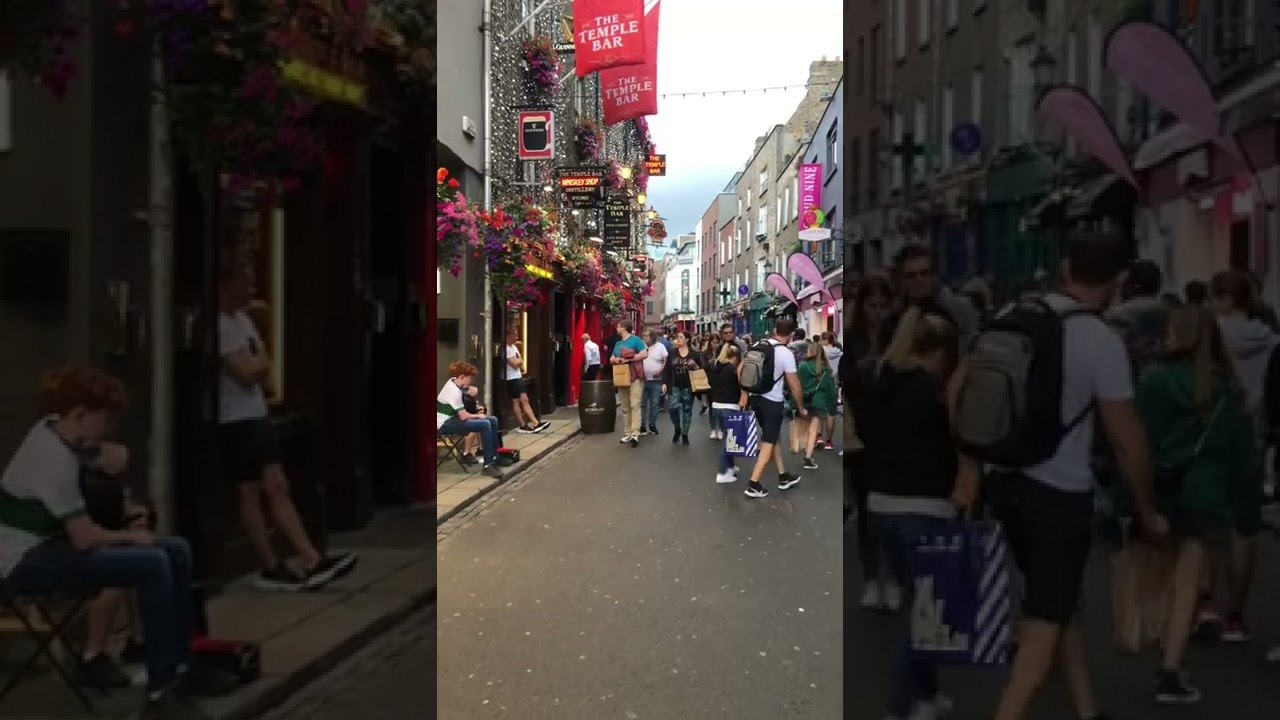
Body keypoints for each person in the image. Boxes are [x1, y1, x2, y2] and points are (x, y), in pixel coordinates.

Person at [952, 231, 1165, 720]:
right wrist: (1147, 508)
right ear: (1117, 281)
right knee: (1046, 617)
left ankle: (1088, 708)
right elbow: (1127, 439)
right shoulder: (1101, 340)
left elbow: (959, 387)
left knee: (1057, 596)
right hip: (1060, 494)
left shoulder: (1014, 315)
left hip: (1006, 482)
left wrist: (969, 465)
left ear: (1066, 269)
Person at [0, 366, 211, 720]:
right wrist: (131, 536)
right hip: (23, 561)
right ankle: (161, 691)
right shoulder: (52, 460)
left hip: (50, 544)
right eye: (105, 418)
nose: (109, 426)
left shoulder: (54, 427)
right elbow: (84, 539)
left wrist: (106, 453)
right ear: (81, 414)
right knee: (152, 563)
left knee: (176, 549)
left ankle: (183, 667)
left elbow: (90, 454)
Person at [1132, 306, 1259, 704]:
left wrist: (1129, 500)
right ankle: (1171, 668)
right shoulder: (1227, 390)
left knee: (1159, 574)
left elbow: (1138, 442)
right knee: (1189, 581)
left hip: (1161, 490)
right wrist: (1245, 508)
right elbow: (1244, 457)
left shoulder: (1154, 381)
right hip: (1207, 492)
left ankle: (1156, 638)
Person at [217, 266, 357, 591]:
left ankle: (310, 559)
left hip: (256, 415)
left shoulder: (243, 321)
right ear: (228, 285)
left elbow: (263, 369)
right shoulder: (219, 326)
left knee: (278, 486)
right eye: (246, 282)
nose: (252, 289)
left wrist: (257, 364)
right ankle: (271, 565)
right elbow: (246, 374)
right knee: (249, 491)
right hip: (234, 419)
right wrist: (257, 363)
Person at [857, 308, 960, 719]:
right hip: (924, 503)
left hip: (882, 502)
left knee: (918, 603)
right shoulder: (930, 391)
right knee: (922, 611)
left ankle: (925, 694)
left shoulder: (879, 383)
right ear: (938, 352)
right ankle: (902, 705)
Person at [1201, 269, 1276, 640]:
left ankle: (1204, 604)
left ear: (1226, 300)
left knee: (1203, 528)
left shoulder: (1210, 337)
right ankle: (1235, 616)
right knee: (1243, 532)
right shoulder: (1272, 341)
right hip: (1253, 440)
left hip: (1212, 439)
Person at [740, 318, 806, 498]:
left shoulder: (757, 345)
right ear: (791, 335)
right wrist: (800, 407)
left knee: (773, 436)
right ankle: (753, 484)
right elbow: (794, 385)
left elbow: (741, 369)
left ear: (775, 330)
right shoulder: (785, 353)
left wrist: (744, 393)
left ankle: (783, 476)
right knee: (769, 441)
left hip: (756, 398)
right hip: (772, 402)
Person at [881, 245, 978, 350]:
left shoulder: (958, 308)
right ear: (900, 280)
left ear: (935, 276)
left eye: (925, 273)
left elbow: (971, 348)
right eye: (911, 276)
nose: (919, 280)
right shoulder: (894, 316)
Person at [438, 361, 511, 478]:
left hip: (453, 418)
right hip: (444, 423)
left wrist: (469, 389)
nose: (471, 381)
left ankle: (495, 456)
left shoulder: (454, 381)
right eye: (470, 378)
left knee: (493, 420)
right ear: (462, 377)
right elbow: (463, 416)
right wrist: (477, 415)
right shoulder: (453, 392)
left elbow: (464, 389)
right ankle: (488, 465)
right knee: (485, 424)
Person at [1107, 259, 1170, 373]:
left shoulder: (1121, 315)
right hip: (1162, 375)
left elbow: (1111, 352)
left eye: (1124, 284)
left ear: (1135, 286)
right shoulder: (1167, 311)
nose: (1120, 289)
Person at [796, 342, 838, 470]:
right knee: (813, 430)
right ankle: (808, 458)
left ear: (810, 352)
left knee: (805, 428)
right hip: (819, 402)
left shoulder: (803, 367)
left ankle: (805, 449)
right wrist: (832, 407)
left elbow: (798, 386)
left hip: (805, 401)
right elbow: (831, 391)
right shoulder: (826, 370)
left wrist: (795, 404)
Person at [661, 330, 705, 445]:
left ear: (687, 339)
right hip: (674, 385)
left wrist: (694, 365)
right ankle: (677, 428)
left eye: (681, 337)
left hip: (688, 386)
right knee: (673, 408)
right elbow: (667, 368)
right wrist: (664, 383)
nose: (678, 339)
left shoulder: (694, 354)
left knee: (687, 410)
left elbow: (700, 370)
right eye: (678, 337)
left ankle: (685, 434)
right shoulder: (672, 352)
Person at [503, 329, 550, 434]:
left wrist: (518, 361)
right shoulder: (506, 349)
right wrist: (518, 361)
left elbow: (520, 362)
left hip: (518, 376)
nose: (516, 337)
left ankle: (535, 423)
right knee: (516, 401)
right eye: (515, 335)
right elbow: (515, 364)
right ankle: (522, 425)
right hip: (511, 378)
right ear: (508, 336)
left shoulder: (514, 347)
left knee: (525, 400)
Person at [610, 319, 649, 447]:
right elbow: (611, 358)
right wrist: (616, 359)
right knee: (625, 406)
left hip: (635, 376)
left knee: (634, 404)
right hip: (622, 376)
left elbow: (644, 353)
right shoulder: (618, 343)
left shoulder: (635, 340)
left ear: (624, 328)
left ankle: (635, 433)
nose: (616, 328)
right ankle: (627, 433)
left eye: (618, 326)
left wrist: (629, 358)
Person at [707, 344, 743, 447]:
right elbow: (740, 384)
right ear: (735, 357)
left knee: (727, 436)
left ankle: (728, 457)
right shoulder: (733, 370)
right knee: (732, 440)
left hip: (716, 405)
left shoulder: (715, 367)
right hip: (731, 404)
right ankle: (728, 457)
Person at [640, 328, 668, 436]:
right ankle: (642, 426)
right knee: (642, 404)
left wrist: (661, 369)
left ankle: (652, 425)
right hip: (643, 379)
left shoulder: (660, 347)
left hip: (656, 380)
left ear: (652, 337)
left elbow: (665, 361)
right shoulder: (641, 345)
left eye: (647, 336)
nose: (645, 338)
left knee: (654, 404)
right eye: (644, 335)